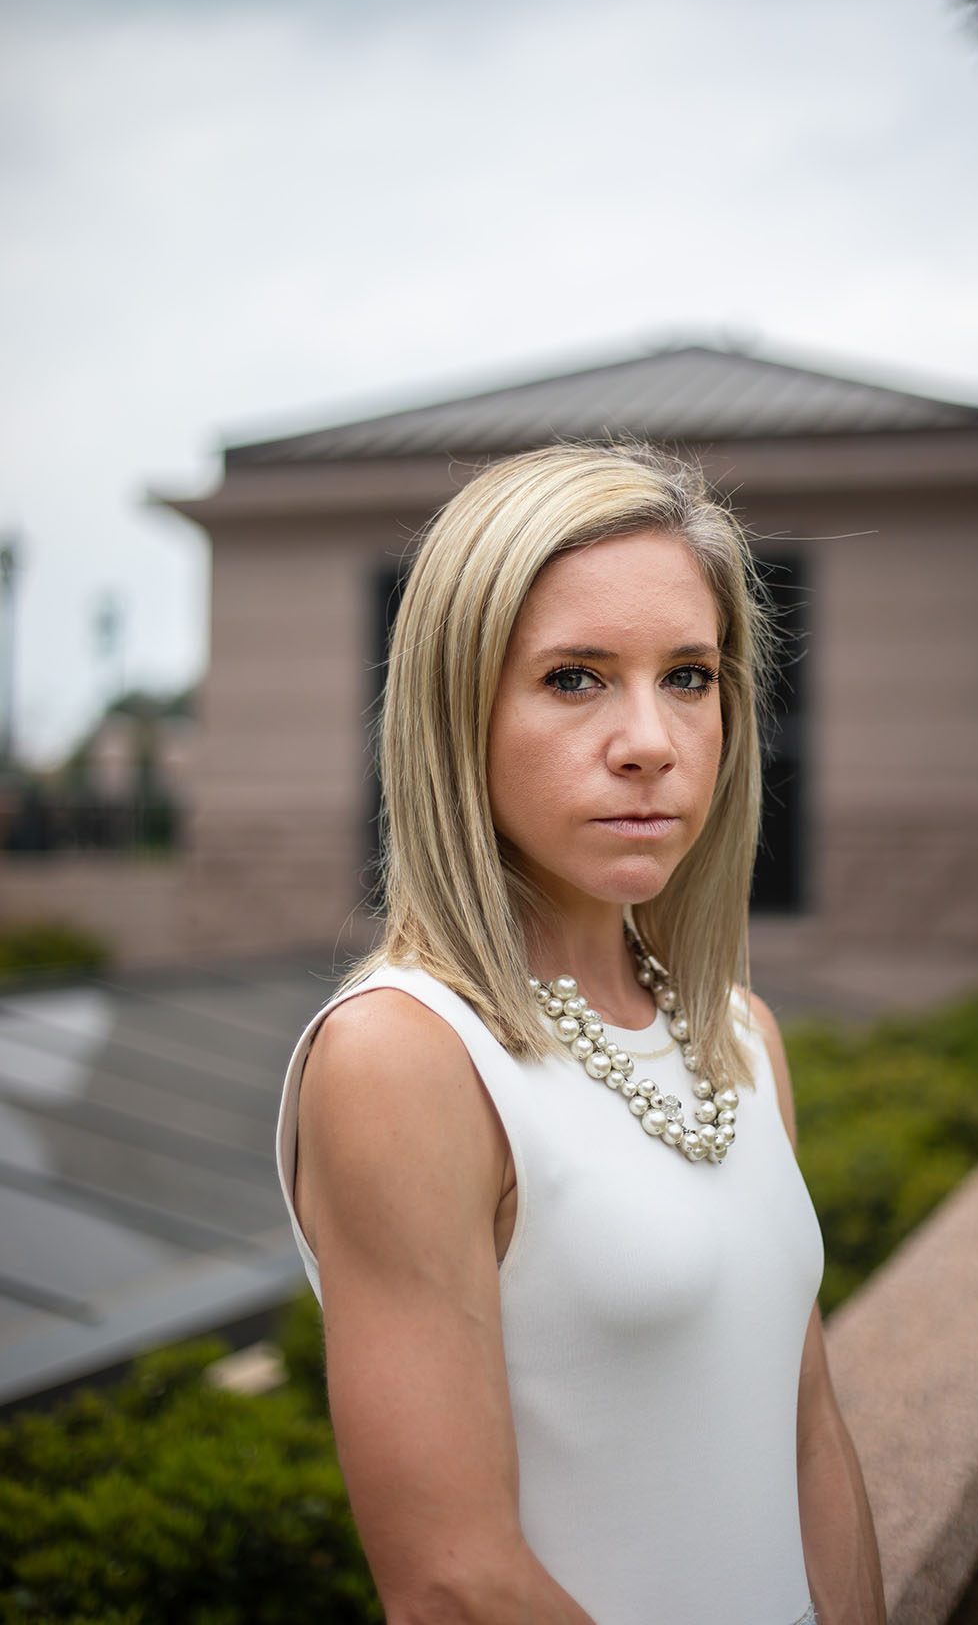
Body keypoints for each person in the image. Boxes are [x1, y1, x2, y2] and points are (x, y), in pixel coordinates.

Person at [275, 442, 886, 1625]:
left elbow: (807, 1438)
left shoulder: (741, 1039)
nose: (650, 740)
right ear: (459, 712)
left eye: (690, 677)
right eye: (575, 678)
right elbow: (454, 1584)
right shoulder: (406, 1055)